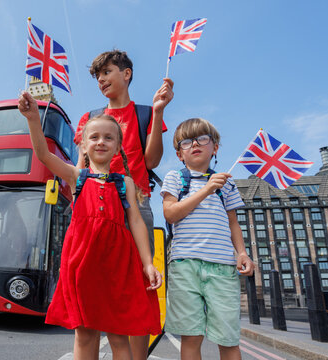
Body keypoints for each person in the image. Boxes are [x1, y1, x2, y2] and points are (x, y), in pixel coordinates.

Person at [18, 91, 162, 360]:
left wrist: (148, 263)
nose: (101, 142)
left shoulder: (126, 184)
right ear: (83, 146)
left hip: (119, 266)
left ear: (119, 147)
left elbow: (137, 223)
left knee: (119, 334)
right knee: (84, 334)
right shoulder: (76, 176)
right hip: (82, 265)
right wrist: (33, 120)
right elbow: (43, 155)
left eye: (109, 137)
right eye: (94, 137)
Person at [74, 50, 173, 358]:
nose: (102, 80)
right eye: (98, 76)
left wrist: (158, 113)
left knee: (138, 289)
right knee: (90, 288)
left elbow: (153, 160)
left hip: (135, 204)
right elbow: (80, 168)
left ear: (126, 74)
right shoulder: (90, 119)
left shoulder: (144, 113)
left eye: (107, 72)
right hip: (95, 207)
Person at [161, 118, 255, 360]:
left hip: (222, 267)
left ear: (215, 147)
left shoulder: (227, 183)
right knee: (191, 337)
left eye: (203, 138)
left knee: (228, 338)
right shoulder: (175, 178)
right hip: (185, 266)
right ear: (179, 154)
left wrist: (242, 253)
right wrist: (205, 189)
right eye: (186, 141)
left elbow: (233, 223)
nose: (195, 144)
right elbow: (171, 214)